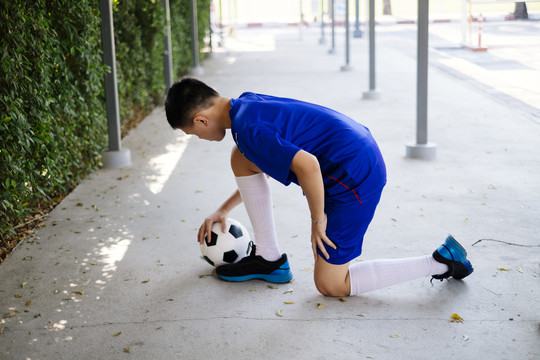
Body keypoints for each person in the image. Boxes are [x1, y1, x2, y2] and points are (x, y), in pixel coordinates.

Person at [165, 78, 473, 297]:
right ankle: (269, 258)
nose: (198, 139)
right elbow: (273, 158)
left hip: (354, 178)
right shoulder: (247, 105)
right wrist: (224, 208)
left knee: (330, 284)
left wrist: (317, 220)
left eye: (192, 134)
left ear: (201, 120)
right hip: (356, 153)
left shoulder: (248, 131)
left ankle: (439, 261)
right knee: (241, 158)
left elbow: (308, 165)